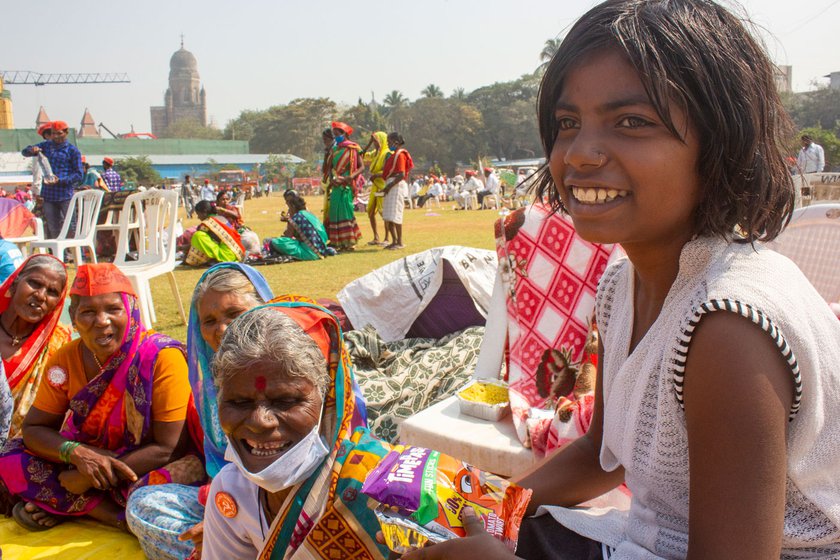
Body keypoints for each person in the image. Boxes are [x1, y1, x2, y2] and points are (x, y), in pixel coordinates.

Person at [402, 1, 840, 558]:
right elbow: (598, 456)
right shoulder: (620, 284)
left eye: (631, 122)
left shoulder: (728, 327)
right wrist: (494, 508)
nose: (580, 154)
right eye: (567, 123)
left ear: (718, 144)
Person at [0, 263, 203, 532]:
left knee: (151, 493)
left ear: (131, 311)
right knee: (10, 457)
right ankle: (115, 517)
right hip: (87, 458)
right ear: (73, 318)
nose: (102, 321)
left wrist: (88, 478)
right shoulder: (67, 358)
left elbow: (169, 448)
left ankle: (74, 505)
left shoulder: (161, 357)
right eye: (88, 312)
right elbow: (35, 428)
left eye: (113, 309)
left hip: (143, 465)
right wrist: (78, 454)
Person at [201, 301, 391, 560]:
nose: (260, 421)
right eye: (239, 403)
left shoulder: (378, 490)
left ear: (328, 401)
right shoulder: (232, 490)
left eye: (286, 401)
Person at [127, 263, 273, 560]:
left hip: (289, 504)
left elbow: (300, 468)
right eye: (209, 320)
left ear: (264, 309)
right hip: (231, 504)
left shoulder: (289, 370)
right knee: (144, 504)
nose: (222, 329)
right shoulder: (211, 385)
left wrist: (223, 523)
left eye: (234, 314)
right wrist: (220, 516)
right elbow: (221, 469)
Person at [0, 255, 71, 437]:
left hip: (23, 448)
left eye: (52, 292)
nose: (40, 296)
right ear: (15, 283)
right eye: (34, 283)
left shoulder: (58, 343)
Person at [21, 121, 83, 239]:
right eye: (53, 133)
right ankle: (59, 255)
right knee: (53, 227)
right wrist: (32, 150)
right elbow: (24, 152)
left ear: (66, 133)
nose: (55, 137)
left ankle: (74, 253)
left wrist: (60, 180)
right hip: (49, 195)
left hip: (65, 194)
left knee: (71, 226)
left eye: (59, 134)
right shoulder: (46, 146)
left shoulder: (72, 151)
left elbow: (79, 175)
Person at [264, 190, 336, 261]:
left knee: (274, 242)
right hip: (321, 249)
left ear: (293, 205)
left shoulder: (296, 217)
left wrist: (289, 220)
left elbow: (287, 237)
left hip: (310, 253)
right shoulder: (308, 214)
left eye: (288, 203)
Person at [326, 121, 363, 251]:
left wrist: (350, 177)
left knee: (346, 211)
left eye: (337, 134)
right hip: (336, 185)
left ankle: (350, 242)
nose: (336, 137)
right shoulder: (335, 150)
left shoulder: (353, 149)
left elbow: (361, 166)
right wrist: (332, 179)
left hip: (347, 184)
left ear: (344, 134)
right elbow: (329, 168)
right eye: (334, 135)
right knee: (334, 212)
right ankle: (338, 242)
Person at [185, 200, 246, 266]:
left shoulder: (206, 224)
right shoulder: (221, 218)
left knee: (198, 235)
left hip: (227, 256)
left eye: (198, 214)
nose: (198, 217)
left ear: (204, 212)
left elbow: (197, 244)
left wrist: (180, 248)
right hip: (238, 252)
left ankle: (214, 259)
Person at [381, 132, 414, 250]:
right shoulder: (393, 155)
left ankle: (399, 241)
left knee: (395, 215)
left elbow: (401, 174)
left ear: (396, 141)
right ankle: (394, 240)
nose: (388, 144)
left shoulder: (399, 155)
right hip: (390, 185)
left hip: (395, 186)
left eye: (389, 141)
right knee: (388, 216)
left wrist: (388, 187)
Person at [363, 131, 391, 246]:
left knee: (384, 212)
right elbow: (362, 154)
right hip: (375, 186)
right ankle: (376, 237)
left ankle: (387, 238)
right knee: (370, 211)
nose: (375, 143)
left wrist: (376, 175)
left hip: (383, 185)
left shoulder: (387, 154)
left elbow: (388, 170)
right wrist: (369, 143)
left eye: (376, 141)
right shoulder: (375, 153)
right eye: (374, 141)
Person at [215, 190, 260, 256]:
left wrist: (223, 210)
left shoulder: (231, 208)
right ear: (217, 202)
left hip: (236, 235)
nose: (225, 201)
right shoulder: (215, 212)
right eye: (223, 199)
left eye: (227, 199)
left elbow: (236, 215)